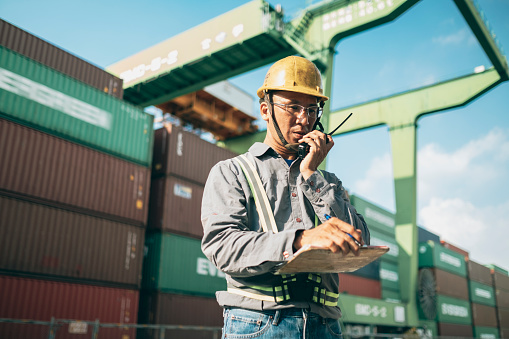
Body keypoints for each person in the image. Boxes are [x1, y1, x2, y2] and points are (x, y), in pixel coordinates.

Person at [201, 55, 369, 338]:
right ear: (265, 110)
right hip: (259, 323)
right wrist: (302, 239)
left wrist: (311, 175)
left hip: (326, 326)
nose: (305, 119)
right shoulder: (231, 172)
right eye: (293, 107)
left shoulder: (328, 183)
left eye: (312, 109)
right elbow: (222, 247)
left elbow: (358, 240)